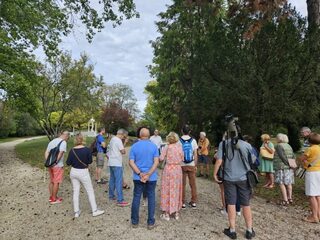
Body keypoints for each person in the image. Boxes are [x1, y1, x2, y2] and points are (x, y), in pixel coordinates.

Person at [213, 133, 256, 240]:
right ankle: (249, 230)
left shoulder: (223, 144)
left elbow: (219, 160)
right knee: (246, 204)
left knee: (231, 203)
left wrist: (214, 173)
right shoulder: (246, 145)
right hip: (244, 178)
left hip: (229, 178)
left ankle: (232, 230)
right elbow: (253, 161)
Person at [66, 133, 105, 217]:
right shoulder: (87, 150)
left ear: (75, 140)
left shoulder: (72, 150)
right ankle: (94, 210)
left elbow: (68, 163)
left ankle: (76, 212)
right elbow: (90, 161)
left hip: (73, 171)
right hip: (83, 172)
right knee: (90, 191)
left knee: (75, 191)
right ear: (83, 139)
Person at [129, 128, 159, 229]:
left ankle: (134, 222)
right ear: (149, 135)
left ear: (140, 135)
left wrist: (140, 173)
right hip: (151, 177)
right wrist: (149, 174)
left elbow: (131, 162)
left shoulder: (134, 146)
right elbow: (156, 162)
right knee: (151, 197)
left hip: (138, 177)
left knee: (137, 197)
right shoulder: (154, 146)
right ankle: (150, 222)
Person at [159, 132, 183, 221]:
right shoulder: (180, 147)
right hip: (177, 169)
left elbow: (161, 158)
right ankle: (176, 212)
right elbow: (182, 158)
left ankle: (166, 213)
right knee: (176, 189)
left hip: (169, 169)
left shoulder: (167, 147)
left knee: (167, 189)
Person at [299, 133, 320, 223]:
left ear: (309, 141)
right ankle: (318, 214)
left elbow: (301, 158)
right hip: (319, 172)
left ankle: (314, 216)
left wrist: (305, 162)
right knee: (318, 195)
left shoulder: (310, 149)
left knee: (311, 195)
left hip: (311, 172)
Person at [45, 131, 70, 204]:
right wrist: (55, 162)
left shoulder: (52, 141)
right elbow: (61, 153)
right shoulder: (63, 142)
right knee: (56, 182)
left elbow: (46, 152)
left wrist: (49, 162)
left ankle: (51, 197)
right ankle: (54, 199)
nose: (68, 139)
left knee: (52, 181)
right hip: (57, 165)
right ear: (66, 135)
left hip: (50, 165)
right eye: (68, 137)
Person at [108, 129, 130, 207]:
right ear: (122, 134)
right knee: (118, 181)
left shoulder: (112, 139)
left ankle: (111, 195)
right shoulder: (118, 140)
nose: (124, 137)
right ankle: (120, 200)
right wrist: (125, 143)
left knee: (112, 179)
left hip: (111, 162)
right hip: (117, 163)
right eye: (124, 136)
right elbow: (123, 151)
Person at [273, 133, 295, 206]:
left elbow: (282, 157)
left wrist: (287, 164)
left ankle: (285, 200)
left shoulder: (278, 146)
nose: (276, 139)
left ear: (280, 139)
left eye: (277, 138)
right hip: (289, 168)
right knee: (289, 183)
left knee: (281, 183)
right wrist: (291, 165)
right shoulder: (289, 146)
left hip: (281, 167)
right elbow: (293, 156)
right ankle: (290, 198)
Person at [180, 125, 198, 209]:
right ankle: (193, 202)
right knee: (193, 184)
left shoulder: (179, 141)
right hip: (191, 164)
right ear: (189, 131)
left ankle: (182, 202)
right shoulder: (193, 140)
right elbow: (195, 153)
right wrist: (195, 164)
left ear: (182, 131)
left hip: (182, 164)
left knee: (182, 184)